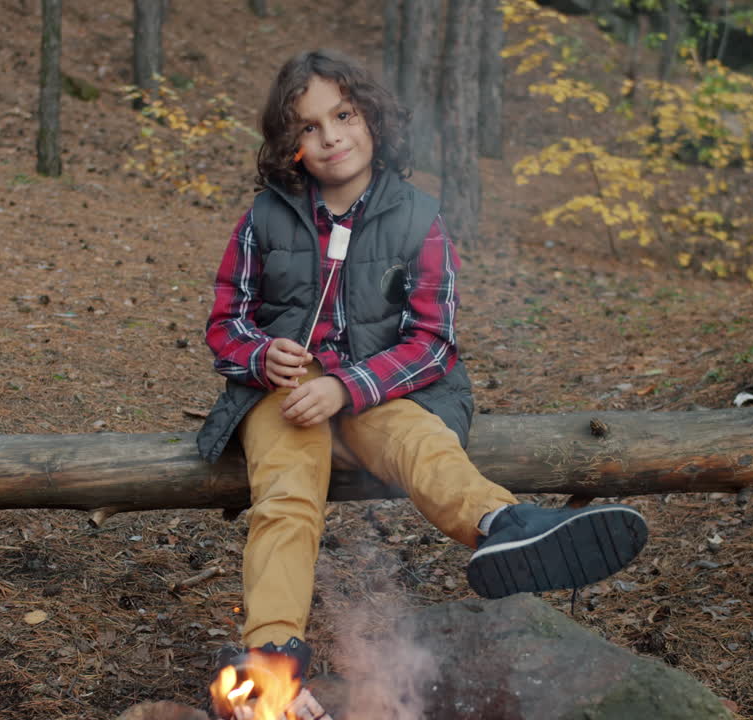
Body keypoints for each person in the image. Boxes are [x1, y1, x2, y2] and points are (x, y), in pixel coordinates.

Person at [198, 49, 648, 720]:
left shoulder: (418, 218)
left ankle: (504, 524)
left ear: (371, 118)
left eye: (343, 115)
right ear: (290, 146)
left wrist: (348, 387)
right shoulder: (265, 219)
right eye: (309, 128)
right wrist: (262, 356)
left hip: (380, 395)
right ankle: (271, 660)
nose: (331, 138)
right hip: (284, 401)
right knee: (286, 499)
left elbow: (432, 341)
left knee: (421, 445)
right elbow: (225, 323)